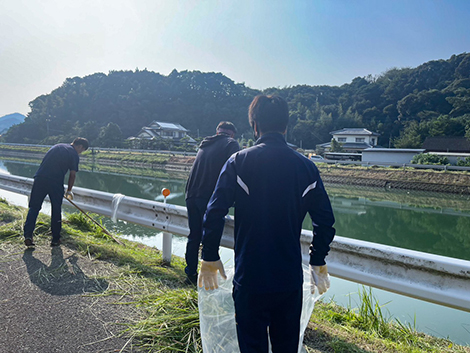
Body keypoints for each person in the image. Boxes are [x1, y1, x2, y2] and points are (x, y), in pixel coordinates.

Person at [198, 95, 335, 353]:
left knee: (252, 346)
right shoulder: (306, 168)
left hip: (250, 278)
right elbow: (325, 221)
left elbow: (214, 212)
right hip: (288, 280)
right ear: (286, 126)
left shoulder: (238, 162)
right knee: (286, 347)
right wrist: (318, 260)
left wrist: (209, 256)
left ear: (255, 126)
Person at [184, 122, 240, 285]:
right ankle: (207, 278)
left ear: (217, 132)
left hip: (191, 195)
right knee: (210, 238)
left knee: (194, 235)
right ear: (232, 134)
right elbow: (236, 170)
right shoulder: (231, 144)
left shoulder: (205, 144)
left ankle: (190, 274)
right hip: (208, 197)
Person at [24, 137, 89, 247]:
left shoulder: (56, 146)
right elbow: (72, 175)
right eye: (81, 150)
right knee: (56, 209)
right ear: (80, 146)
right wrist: (69, 190)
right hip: (55, 182)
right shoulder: (73, 154)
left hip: (39, 179)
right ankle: (55, 239)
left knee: (34, 208)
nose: (80, 153)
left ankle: (28, 236)